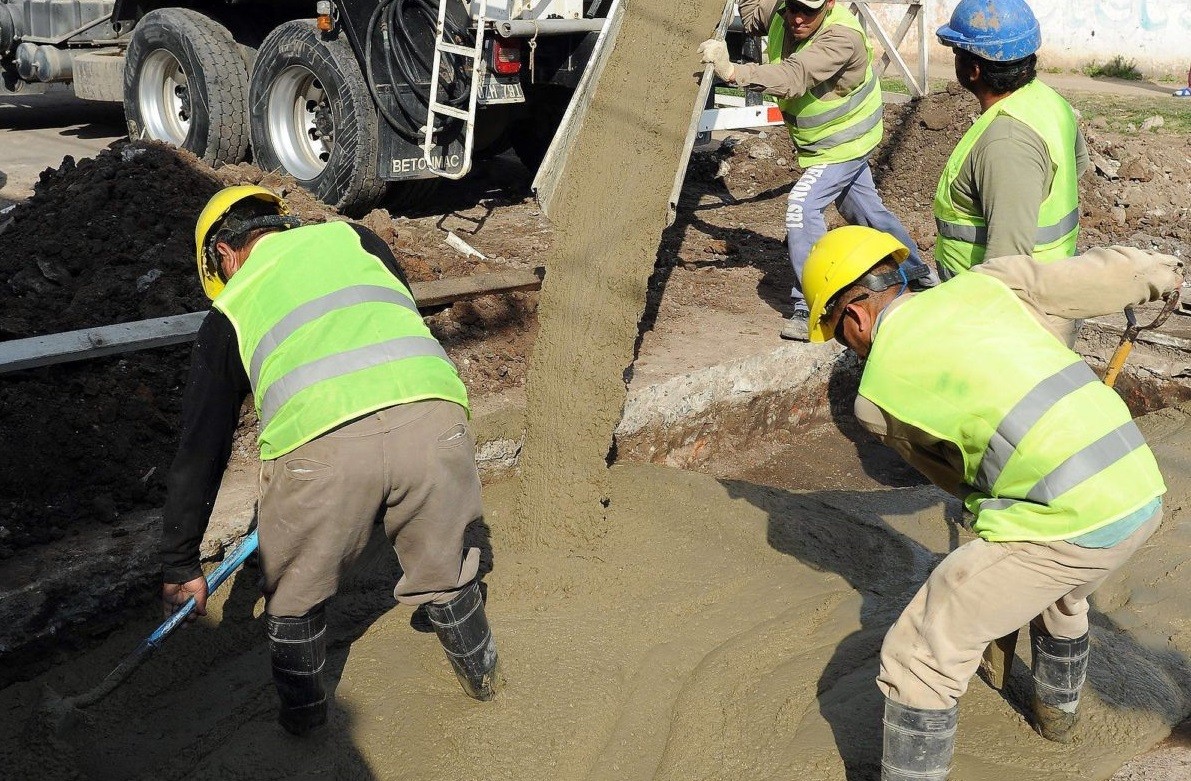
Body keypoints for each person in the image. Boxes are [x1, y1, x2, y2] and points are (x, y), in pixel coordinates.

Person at [800, 225, 1183, 780]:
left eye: (838, 335)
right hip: (1137, 488)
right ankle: (1058, 721)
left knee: (921, 651)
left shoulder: (874, 402)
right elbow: (1101, 275)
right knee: (1061, 597)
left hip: (1068, 518)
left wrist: (990, 531)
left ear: (853, 320)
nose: (850, 348)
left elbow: (960, 481)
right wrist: (1159, 275)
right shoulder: (984, 285)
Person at [161, 185, 501, 736]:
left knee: (295, 600)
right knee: (446, 571)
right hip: (438, 422)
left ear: (224, 257)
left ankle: (305, 730)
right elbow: (390, 319)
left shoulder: (230, 309)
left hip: (321, 456)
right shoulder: (359, 240)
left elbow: (202, 448)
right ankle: (486, 683)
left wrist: (180, 562)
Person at [697, 0, 933, 341]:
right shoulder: (784, 11)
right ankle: (917, 272)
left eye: (808, 11)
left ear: (830, 3)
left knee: (801, 208)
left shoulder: (841, 37)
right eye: (792, 8)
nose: (797, 18)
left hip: (844, 141)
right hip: (823, 143)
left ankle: (813, 303)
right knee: (864, 210)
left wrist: (732, 72)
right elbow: (753, 17)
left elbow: (794, 77)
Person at [934, 0, 1090, 283]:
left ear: (974, 70)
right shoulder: (1050, 101)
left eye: (957, 52)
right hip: (1051, 288)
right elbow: (1077, 166)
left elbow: (1006, 265)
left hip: (1009, 310)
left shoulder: (1006, 143)